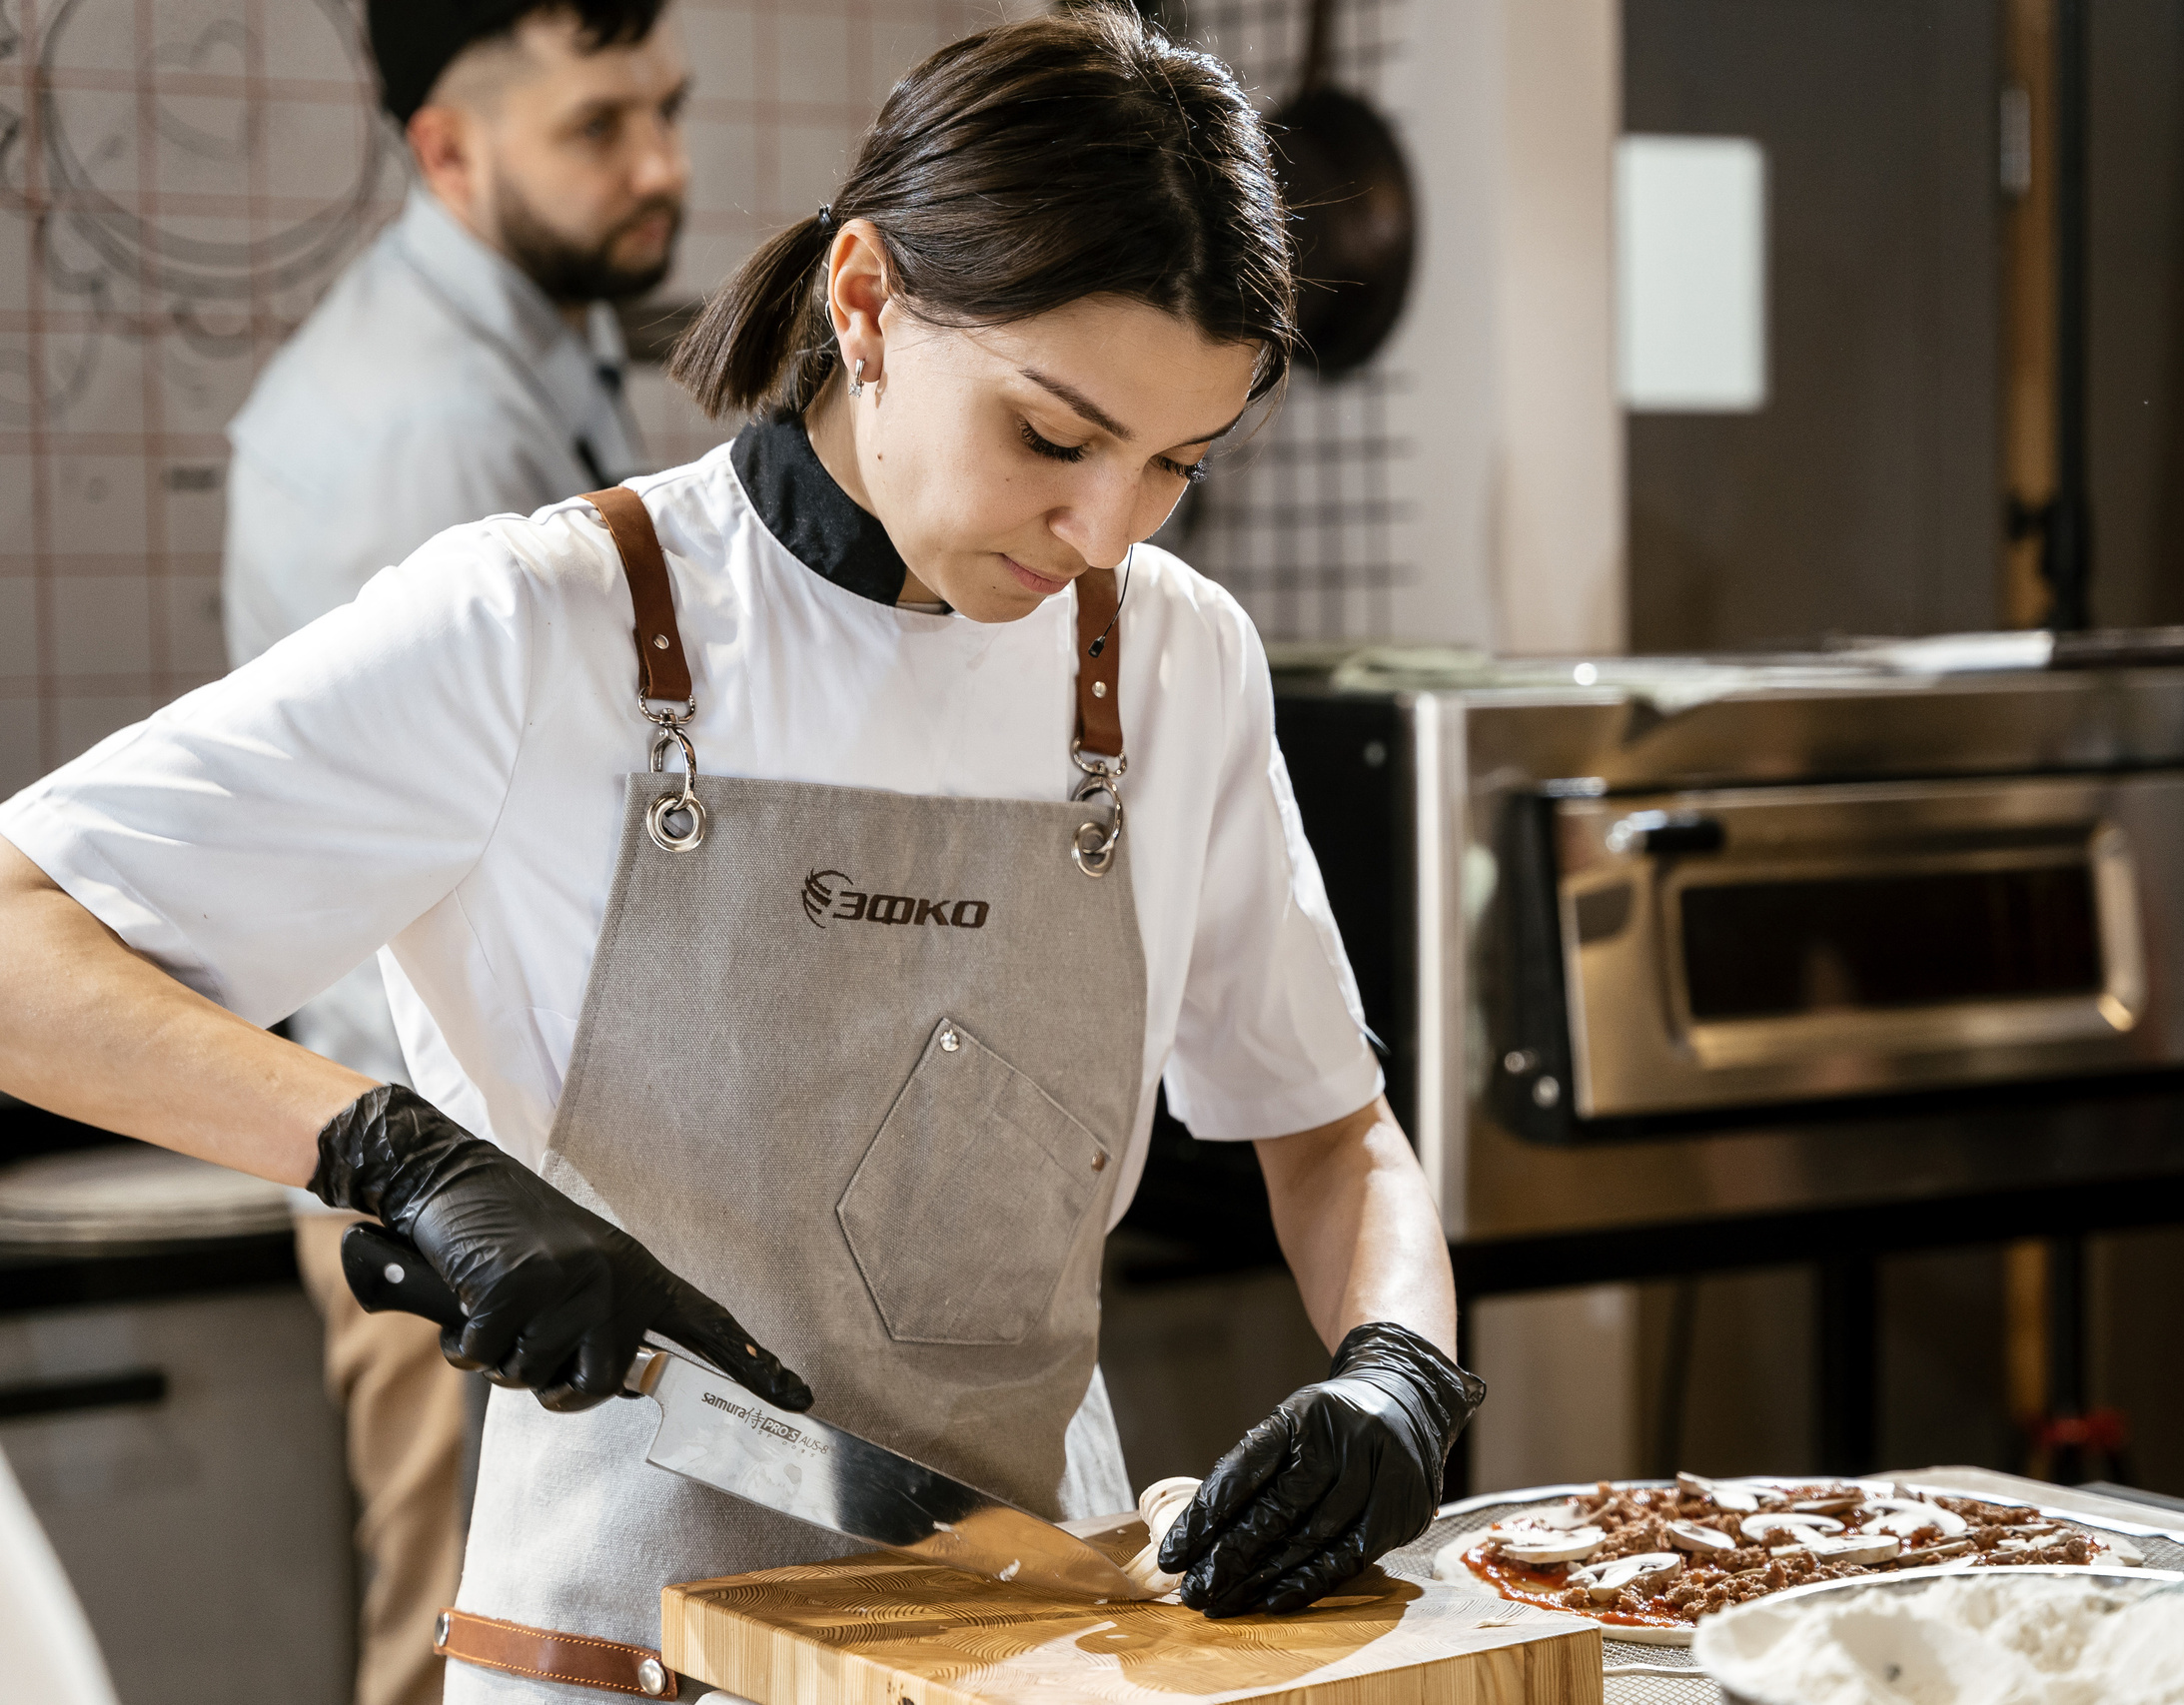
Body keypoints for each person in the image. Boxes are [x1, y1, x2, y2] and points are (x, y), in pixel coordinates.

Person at [0, 9, 1482, 1700]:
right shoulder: (542, 623)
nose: (1104, 534)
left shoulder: (1170, 657)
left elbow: (1329, 1131)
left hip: (1038, 1640)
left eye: (1177, 466)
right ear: (866, 303)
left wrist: (1399, 1369)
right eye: (1054, 440)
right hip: (610, 1650)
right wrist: (400, 1157)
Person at [219, 5, 689, 1701]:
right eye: (598, 128)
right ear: (448, 149)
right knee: (466, 1660)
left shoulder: (538, 343)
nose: (663, 166)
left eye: (666, 109)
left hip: (514, 1157)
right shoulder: (428, 428)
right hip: (451, 1181)